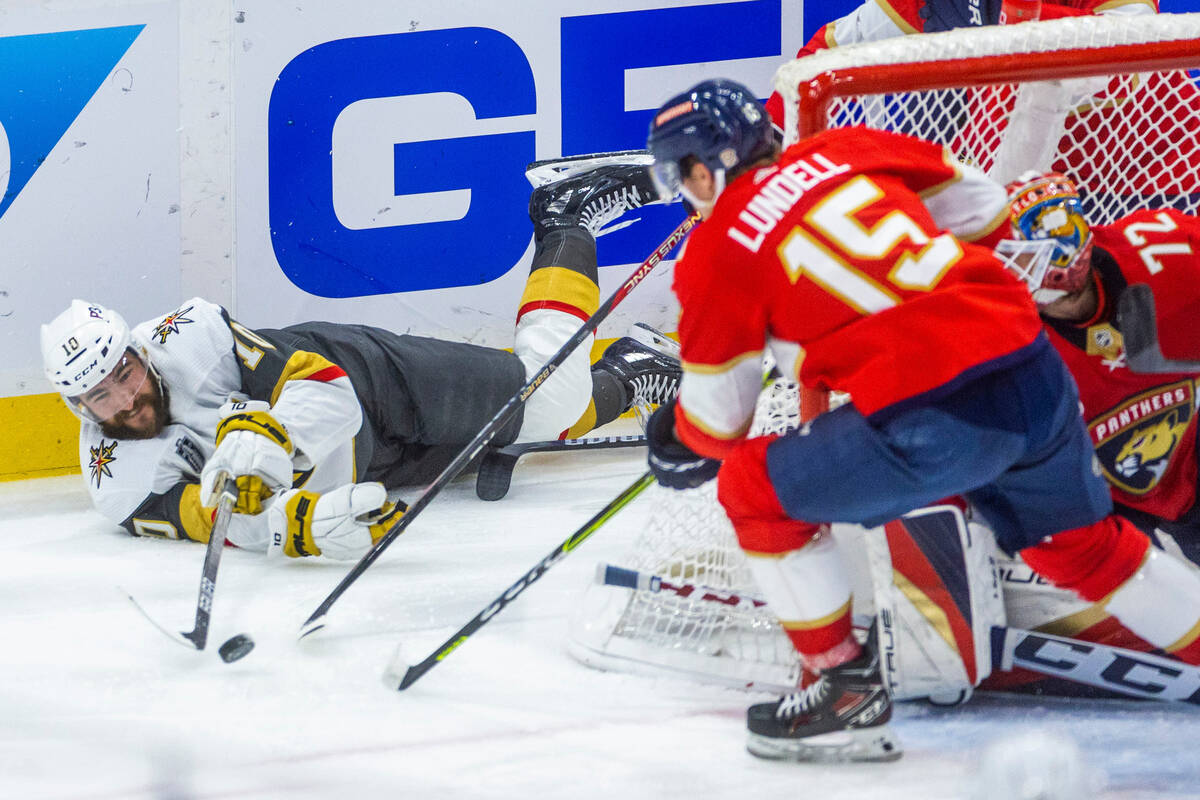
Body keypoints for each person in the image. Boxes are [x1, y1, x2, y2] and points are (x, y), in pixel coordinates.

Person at [642, 78, 1200, 763]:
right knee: (1083, 547)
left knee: (752, 491)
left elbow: (719, 424)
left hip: (938, 414)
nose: (687, 193)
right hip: (1031, 364)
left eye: (683, 177)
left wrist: (677, 439)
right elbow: (986, 207)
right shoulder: (845, 149)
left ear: (705, 166)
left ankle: (842, 688)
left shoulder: (719, 247)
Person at [41, 163, 680, 561]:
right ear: (78, 408)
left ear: (134, 352)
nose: (124, 399)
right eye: (100, 397)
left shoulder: (190, 335)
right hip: (350, 461)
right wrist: (303, 525)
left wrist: (273, 437)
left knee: (544, 400)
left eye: (122, 374)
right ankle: (630, 369)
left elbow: (327, 386)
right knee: (535, 422)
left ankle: (566, 216)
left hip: (363, 378)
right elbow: (210, 519)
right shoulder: (115, 478)